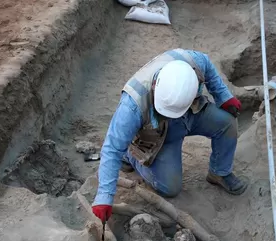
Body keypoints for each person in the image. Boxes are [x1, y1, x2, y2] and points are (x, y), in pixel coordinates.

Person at [91, 49, 247, 223]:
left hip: (192, 112)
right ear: (154, 86)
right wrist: (104, 197)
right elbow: (112, 148)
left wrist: (223, 96)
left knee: (227, 122)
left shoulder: (194, 63)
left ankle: (219, 172)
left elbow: (209, 68)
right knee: (170, 187)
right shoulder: (132, 105)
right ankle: (131, 156)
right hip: (161, 133)